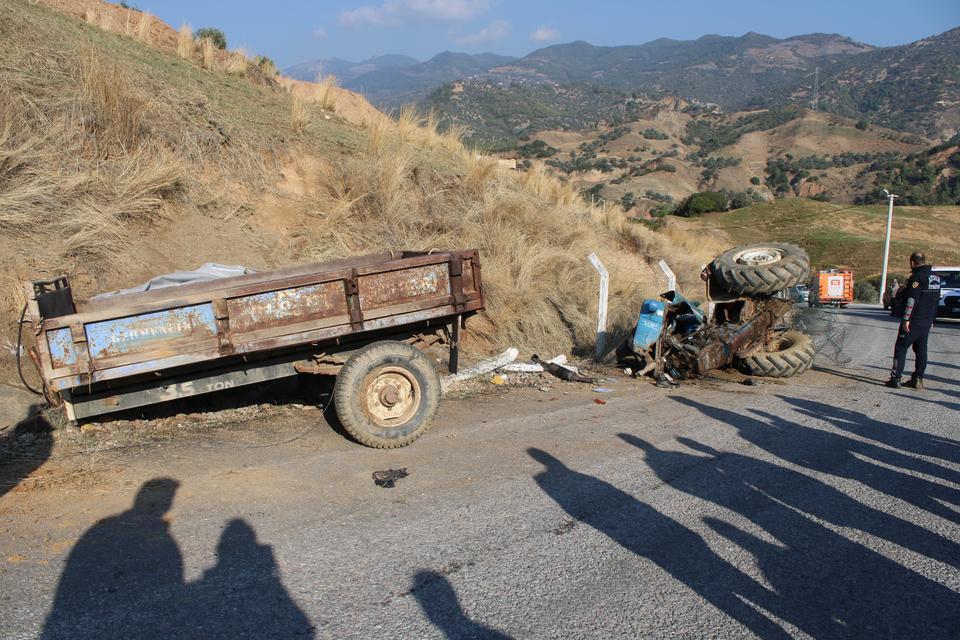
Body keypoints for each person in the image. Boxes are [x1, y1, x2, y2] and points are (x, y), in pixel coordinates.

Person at [886, 252, 941, 389]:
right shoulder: (935, 277)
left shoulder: (917, 277)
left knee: (901, 347)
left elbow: (911, 300)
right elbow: (936, 300)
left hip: (914, 319)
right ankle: (918, 379)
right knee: (921, 349)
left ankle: (896, 378)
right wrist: (932, 319)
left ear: (912, 262)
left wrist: (906, 319)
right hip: (927, 320)